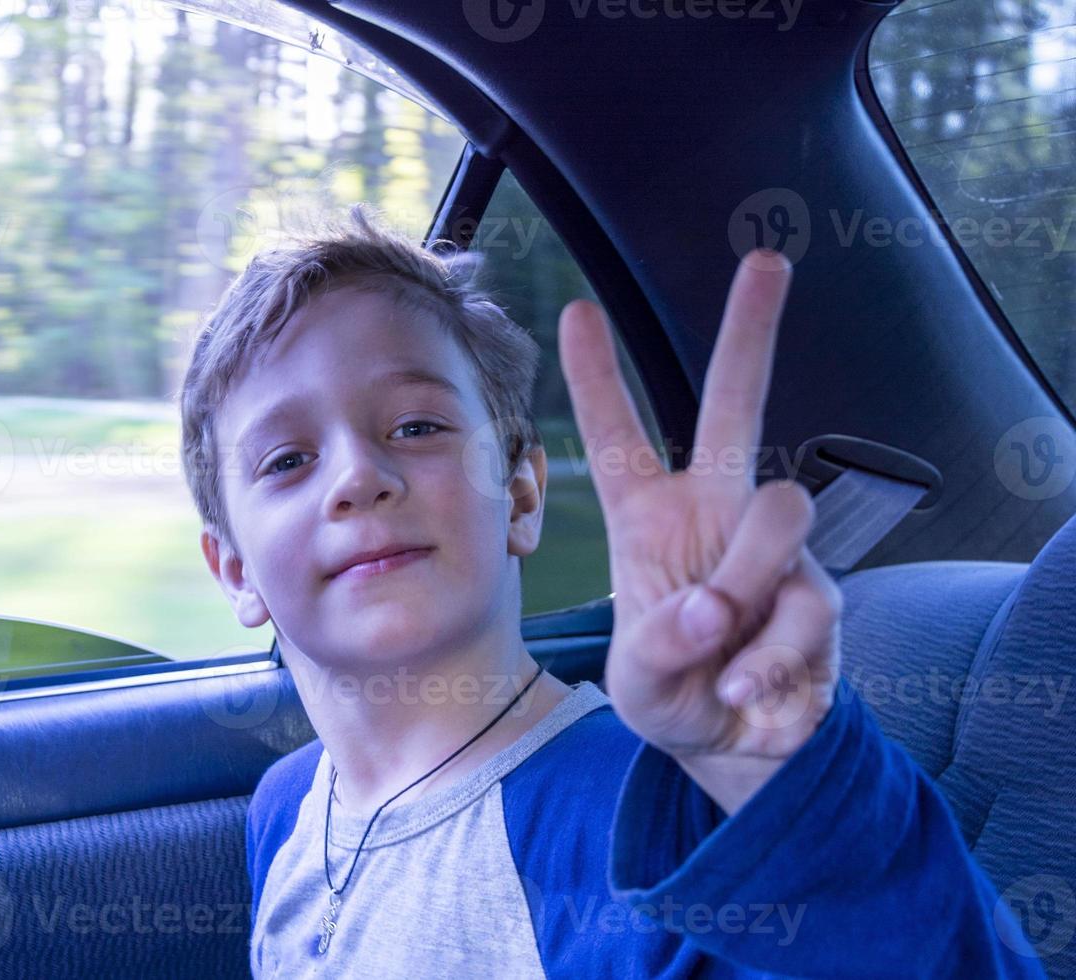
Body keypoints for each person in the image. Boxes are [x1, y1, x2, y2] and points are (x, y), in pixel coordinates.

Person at [178, 204, 1046, 977]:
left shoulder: (651, 817)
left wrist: (797, 805)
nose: (359, 476)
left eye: (417, 426)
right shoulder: (287, 808)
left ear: (520, 495)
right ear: (237, 572)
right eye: (287, 460)